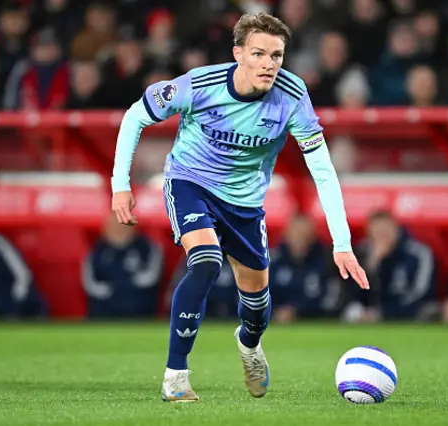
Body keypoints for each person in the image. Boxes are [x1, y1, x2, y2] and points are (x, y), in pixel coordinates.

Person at [110, 12, 369, 403]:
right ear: (238, 54)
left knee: (257, 308)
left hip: (245, 203)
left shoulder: (293, 96)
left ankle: (249, 346)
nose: (269, 64)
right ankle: (175, 376)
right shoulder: (199, 84)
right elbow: (135, 116)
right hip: (190, 182)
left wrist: (342, 243)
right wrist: (119, 185)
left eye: (277, 55)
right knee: (207, 261)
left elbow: (323, 171)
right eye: (259, 53)